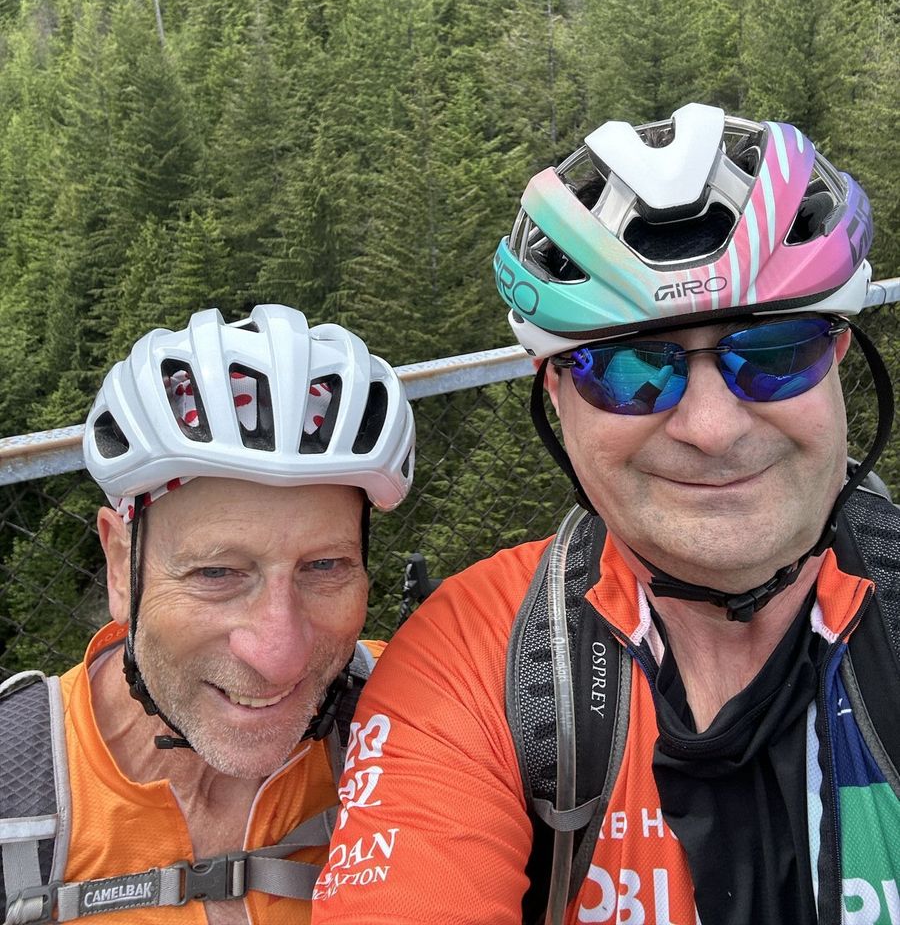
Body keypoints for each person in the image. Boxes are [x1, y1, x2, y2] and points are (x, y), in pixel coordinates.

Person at [311, 104, 898, 925]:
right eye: (630, 372)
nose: (712, 428)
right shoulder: (473, 660)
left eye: (773, 353)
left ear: (836, 354)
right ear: (557, 394)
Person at [0, 304, 414, 925]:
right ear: (120, 565)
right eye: (217, 573)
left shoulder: (421, 714)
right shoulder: (13, 781)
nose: (279, 655)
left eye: (325, 566)